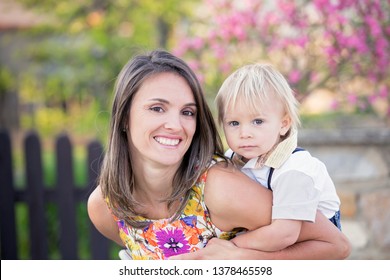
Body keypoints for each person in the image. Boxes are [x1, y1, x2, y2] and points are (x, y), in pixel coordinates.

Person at [87, 49, 351, 260]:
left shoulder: (219, 188)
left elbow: (335, 245)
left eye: (187, 112)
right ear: (124, 117)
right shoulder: (106, 206)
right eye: (157, 108)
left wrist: (239, 258)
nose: (175, 125)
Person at [213, 63, 341, 252]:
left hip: (306, 244)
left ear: (283, 124)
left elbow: (285, 234)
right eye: (234, 122)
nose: (244, 133)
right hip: (267, 235)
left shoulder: (294, 169)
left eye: (258, 121)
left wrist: (231, 246)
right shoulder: (232, 157)